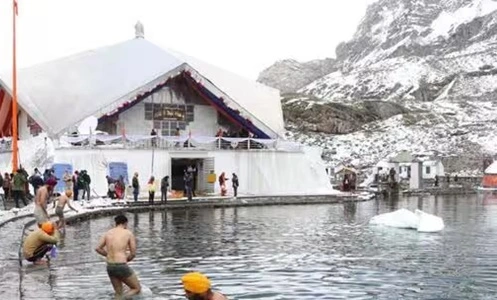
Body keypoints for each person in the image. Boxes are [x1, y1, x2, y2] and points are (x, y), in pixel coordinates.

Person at [95, 215, 141, 299]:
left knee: (119, 293)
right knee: (136, 288)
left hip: (110, 266)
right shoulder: (128, 233)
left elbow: (98, 248)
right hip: (121, 265)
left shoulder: (108, 233)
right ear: (125, 223)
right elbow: (133, 253)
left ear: (115, 223)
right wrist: (127, 259)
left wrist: (107, 255)